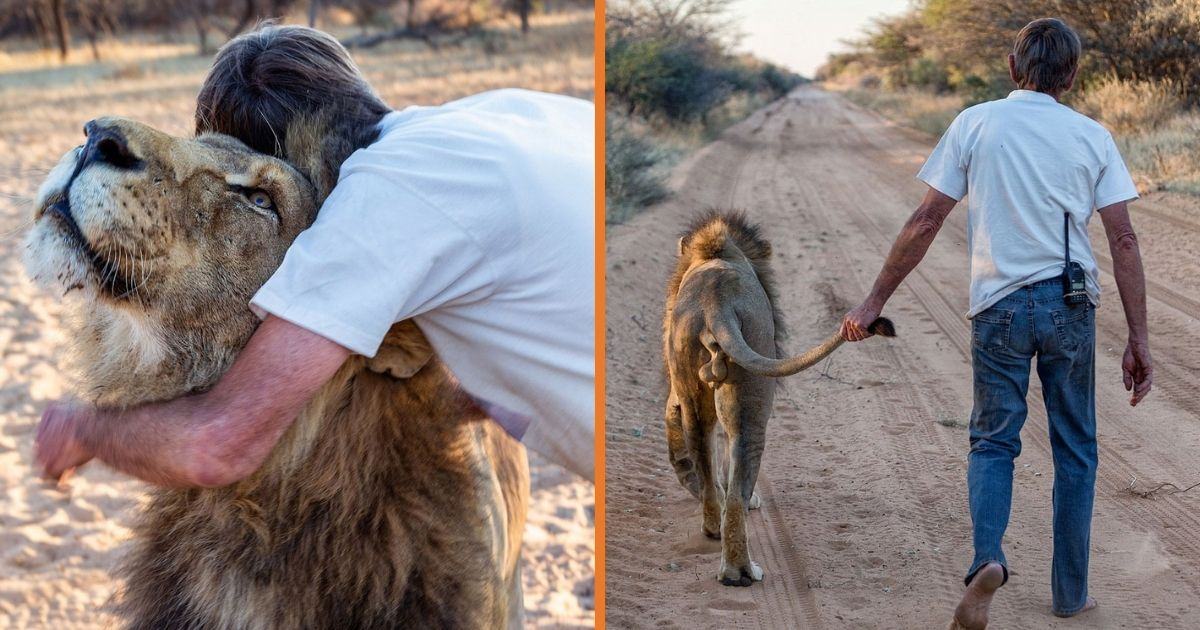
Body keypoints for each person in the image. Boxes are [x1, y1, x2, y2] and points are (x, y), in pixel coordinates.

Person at [34, 25, 595, 487]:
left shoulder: (374, 206)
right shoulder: (499, 113)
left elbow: (216, 444)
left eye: (254, 193)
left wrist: (85, 431)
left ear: (310, 173)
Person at [838, 17, 1151, 629]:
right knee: (1076, 449)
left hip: (998, 308)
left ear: (1013, 68)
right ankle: (1070, 594)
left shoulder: (976, 122)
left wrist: (873, 301)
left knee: (993, 442)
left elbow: (926, 220)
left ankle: (988, 558)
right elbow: (1125, 240)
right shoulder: (1092, 136)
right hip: (1070, 306)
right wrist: (1139, 338)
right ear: (1073, 74)